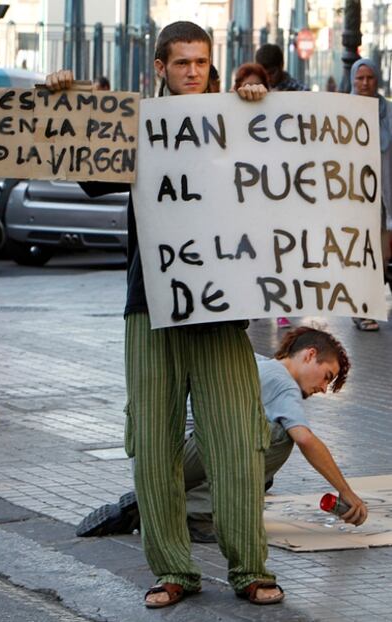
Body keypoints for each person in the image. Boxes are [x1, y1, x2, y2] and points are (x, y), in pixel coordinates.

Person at [46, 22, 283, 609]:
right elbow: (91, 176)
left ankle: (249, 568)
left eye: (202, 62)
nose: (194, 72)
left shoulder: (239, 121)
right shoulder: (136, 128)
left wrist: (263, 110)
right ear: (159, 68)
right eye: (182, 63)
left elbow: (284, 179)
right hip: (150, 305)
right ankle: (173, 570)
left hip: (223, 310)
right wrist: (65, 104)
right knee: (153, 444)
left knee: (236, 440)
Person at [77, 327, 368, 542]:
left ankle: (157, 502)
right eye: (327, 376)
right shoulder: (283, 383)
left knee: (262, 475)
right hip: (179, 453)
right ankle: (193, 514)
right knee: (279, 438)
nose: (322, 389)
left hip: (158, 454)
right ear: (310, 355)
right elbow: (305, 439)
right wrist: (346, 491)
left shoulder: (253, 360)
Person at [232, 62, 291, 329]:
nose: (251, 91)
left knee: (274, 257)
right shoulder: (226, 119)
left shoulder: (279, 121)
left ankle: (278, 306)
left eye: (257, 85)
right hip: (242, 208)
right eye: (245, 86)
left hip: (271, 205)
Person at [350, 58, 392, 332]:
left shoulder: (387, 112)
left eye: (370, 78)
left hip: (384, 199)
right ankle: (361, 310)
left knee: (382, 255)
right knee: (358, 256)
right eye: (360, 78)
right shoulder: (342, 111)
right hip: (353, 198)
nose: (365, 83)